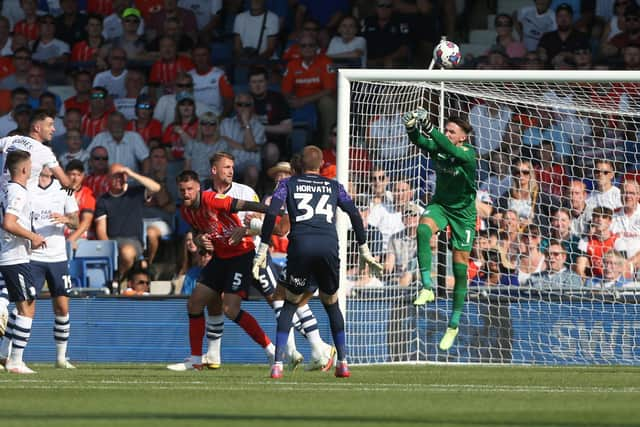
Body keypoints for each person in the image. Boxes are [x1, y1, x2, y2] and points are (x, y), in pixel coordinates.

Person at [253, 145, 383, 379]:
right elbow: (354, 213)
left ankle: (278, 365)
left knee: (288, 302)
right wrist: (364, 248)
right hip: (328, 247)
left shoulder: (287, 184)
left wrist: (262, 247)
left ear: (300, 163)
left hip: (301, 247)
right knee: (331, 303)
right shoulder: (333, 185)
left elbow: (272, 214)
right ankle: (342, 362)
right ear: (322, 164)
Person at [172, 169, 276, 370]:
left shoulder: (212, 199)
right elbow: (198, 232)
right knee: (194, 304)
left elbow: (242, 204)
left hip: (241, 255)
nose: (186, 194)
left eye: (190, 189)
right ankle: (195, 358)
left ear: (198, 188)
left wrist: (272, 210)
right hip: (220, 258)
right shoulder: (185, 210)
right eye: (182, 190)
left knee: (230, 309)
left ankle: (270, 349)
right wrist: (199, 240)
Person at [402, 108, 476, 351]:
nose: (447, 133)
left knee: (460, 268)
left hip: (463, 215)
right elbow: (421, 141)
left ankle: (453, 325)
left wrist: (430, 126)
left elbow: (449, 148)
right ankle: (426, 287)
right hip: (441, 205)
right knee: (422, 230)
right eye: (445, 129)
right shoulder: (440, 148)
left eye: (451, 131)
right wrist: (413, 127)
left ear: (463, 137)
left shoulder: (467, 154)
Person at [29, 166, 79, 369]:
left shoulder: (64, 189)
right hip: (32, 256)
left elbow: (76, 221)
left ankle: (60, 358)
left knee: (62, 307)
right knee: (26, 306)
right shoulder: (27, 187)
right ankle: (11, 354)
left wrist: (66, 219)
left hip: (57, 257)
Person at [0, 150, 45, 374]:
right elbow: (9, 223)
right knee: (27, 308)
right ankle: (16, 361)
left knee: (22, 307)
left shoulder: (6, 190)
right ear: (25, 169)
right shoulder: (18, 192)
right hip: (14, 258)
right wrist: (33, 237)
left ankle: (4, 356)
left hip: (11, 255)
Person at [94, 162, 161, 278]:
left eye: (122, 176)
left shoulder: (135, 193)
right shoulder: (103, 200)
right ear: (108, 178)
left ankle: (121, 279)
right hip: (113, 242)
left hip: (133, 241)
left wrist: (132, 174)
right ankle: (119, 280)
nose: (118, 179)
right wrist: (109, 249)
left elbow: (156, 188)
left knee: (127, 252)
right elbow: (101, 230)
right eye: (115, 176)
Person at [576, 206, 619, 280]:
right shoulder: (585, 241)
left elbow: (622, 267)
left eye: (604, 217)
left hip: (614, 281)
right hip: (594, 282)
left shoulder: (618, 241)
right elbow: (579, 269)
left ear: (610, 221)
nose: (600, 219)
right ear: (592, 220)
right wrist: (587, 284)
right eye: (597, 216)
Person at [64, 159, 96, 247]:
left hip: (81, 237)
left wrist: (70, 240)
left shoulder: (87, 194)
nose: (76, 178)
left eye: (79, 175)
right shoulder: (58, 191)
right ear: (66, 174)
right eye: (72, 174)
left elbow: (86, 222)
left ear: (83, 176)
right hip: (60, 234)